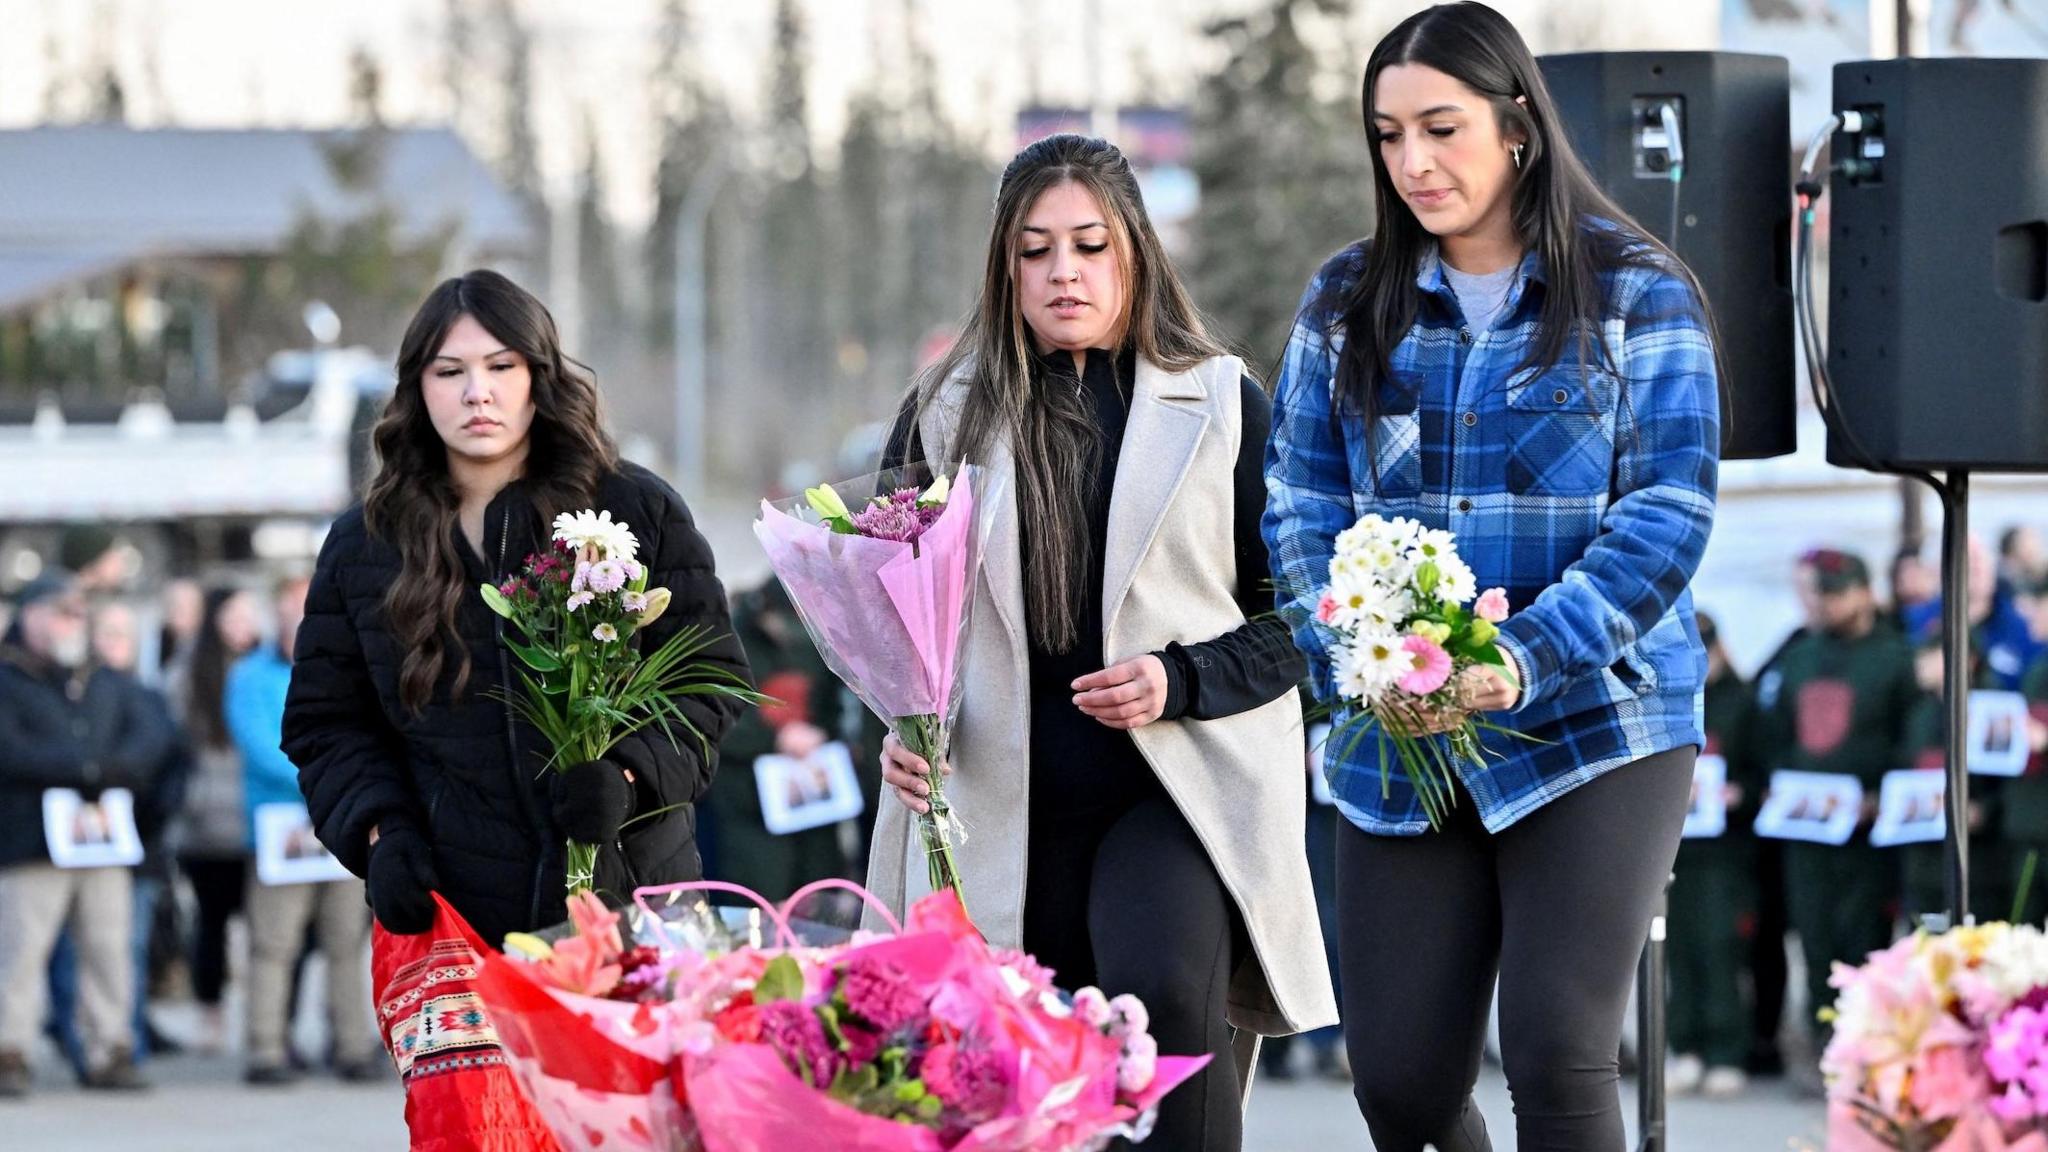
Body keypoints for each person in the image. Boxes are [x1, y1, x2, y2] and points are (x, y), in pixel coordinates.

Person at [1262, 5, 1724, 1147]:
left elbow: (1667, 510)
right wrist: (1358, 660)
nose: (1411, 162)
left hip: (1594, 722)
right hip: (1399, 726)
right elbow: (1299, 502)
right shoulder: (1341, 301)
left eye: (1439, 127)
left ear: (1515, 126)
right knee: (1402, 1088)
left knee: (1556, 1055)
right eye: (1385, 135)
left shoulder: (1636, 290)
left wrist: (1515, 663)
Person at [869, 133, 1337, 1151]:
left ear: (1134, 250)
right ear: (1004, 265)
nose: (1062, 272)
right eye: (1034, 251)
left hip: (1176, 784)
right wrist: (901, 726)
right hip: (994, 794)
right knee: (1011, 1085)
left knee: (1168, 998)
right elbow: (888, 615)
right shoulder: (943, 416)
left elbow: (1306, 613)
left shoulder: (1217, 402)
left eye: (1088, 245)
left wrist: (1183, 677)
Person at [281, 270, 750, 1144]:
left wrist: (630, 774)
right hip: (459, 918)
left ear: (539, 374)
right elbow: (325, 723)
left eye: (500, 365)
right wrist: (380, 834)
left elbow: (711, 679)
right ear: (417, 390)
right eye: (449, 371)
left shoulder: (632, 506)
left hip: (630, 902)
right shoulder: (364, 543)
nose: (477, 392)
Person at [0, 571, 175, 1096]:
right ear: (29, 616)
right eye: (59, 612)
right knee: (21, 952)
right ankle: (11, 1053)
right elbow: (10, 752)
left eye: (77, 614)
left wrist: (116, 769)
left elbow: (153, 733)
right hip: (31, 841)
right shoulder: (8, 678)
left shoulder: (105, 678)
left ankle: (110, 1049)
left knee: (108, 948)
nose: (70, 623)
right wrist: (90, 771)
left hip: (102, 842)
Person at [1753, 548, 1917, 1086]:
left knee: (1865, 941)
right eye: (1816, 592)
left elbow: (1911, 737)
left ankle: (1868, 1055)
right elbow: (1774, 732)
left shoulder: (1897, 657)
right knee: (1815, 939)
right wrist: (1777, 782)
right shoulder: (1798, 655)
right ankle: (1823, 1050)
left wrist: (1882, 795)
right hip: (1805, 827)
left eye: (1834, 592)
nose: (1822, 603)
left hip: (1867, 832)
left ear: (1864, 592)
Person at [228, 575, 378, 1085]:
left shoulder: (343, 669)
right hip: (282, 825)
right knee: (273, 944)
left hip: (338, 820)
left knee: (347, 941)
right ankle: (265, 1048)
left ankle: (353, 1044)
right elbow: (260, 748)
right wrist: (328, 780)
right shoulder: (249, 676)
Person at [1665, 613, 1762, 1098]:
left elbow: (1766, 773)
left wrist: (1738, 794)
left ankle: (1726, 1049)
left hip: (1724, 852)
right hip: (1674, 846)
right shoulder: (1674, 701)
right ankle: (1686, 1047)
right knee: (1677, 950)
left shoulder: (1742, 704)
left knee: (1719, 948)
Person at [170, 585, 263, 1054]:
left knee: (267, 929)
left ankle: (264, 1020)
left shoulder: (271, 666)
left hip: (261, 817)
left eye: (250, 614)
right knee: (211, 922)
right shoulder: (190, 671)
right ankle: (211, 1012)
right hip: (206, 822)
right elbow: (174, 741)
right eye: (233, 615)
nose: (243, 625)